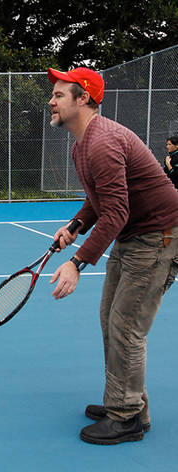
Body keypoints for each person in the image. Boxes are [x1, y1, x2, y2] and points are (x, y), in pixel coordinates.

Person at [47, 66, 178, 445]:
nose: (51, 101)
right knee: (112, 320)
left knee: (127, 327)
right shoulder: (82, 144)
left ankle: (126, 419)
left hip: (159, 237)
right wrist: (74, 227)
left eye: (59, 95)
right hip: (136, 235)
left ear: (82, 98)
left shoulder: (102, 142)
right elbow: (99, 199)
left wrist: (76, 262)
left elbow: (116, 211)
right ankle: (129, 404)